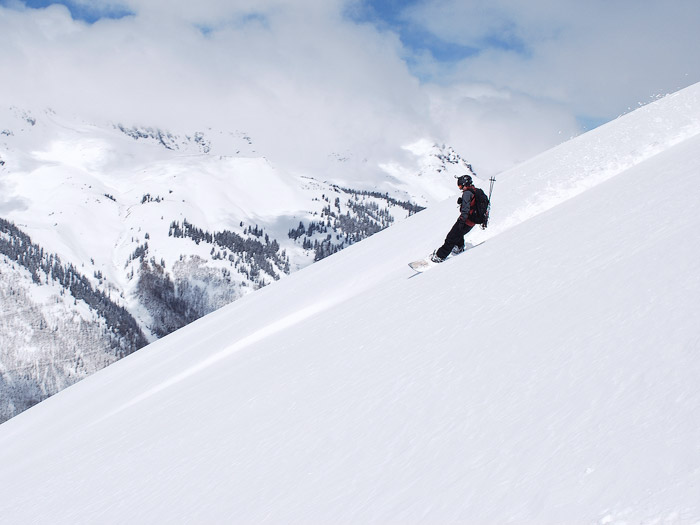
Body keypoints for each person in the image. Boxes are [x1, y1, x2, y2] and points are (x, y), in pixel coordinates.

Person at [431, 174, 477, 263]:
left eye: (460, 186)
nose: (460, 188)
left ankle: (440, 256)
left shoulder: (467, 194)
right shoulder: (474, 191)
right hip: (472, 221)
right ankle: (459, 247)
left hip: (466, 221)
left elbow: (466, 210)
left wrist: (462, 221)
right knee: (458, 233)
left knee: (451, 237)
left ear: (465, 184)